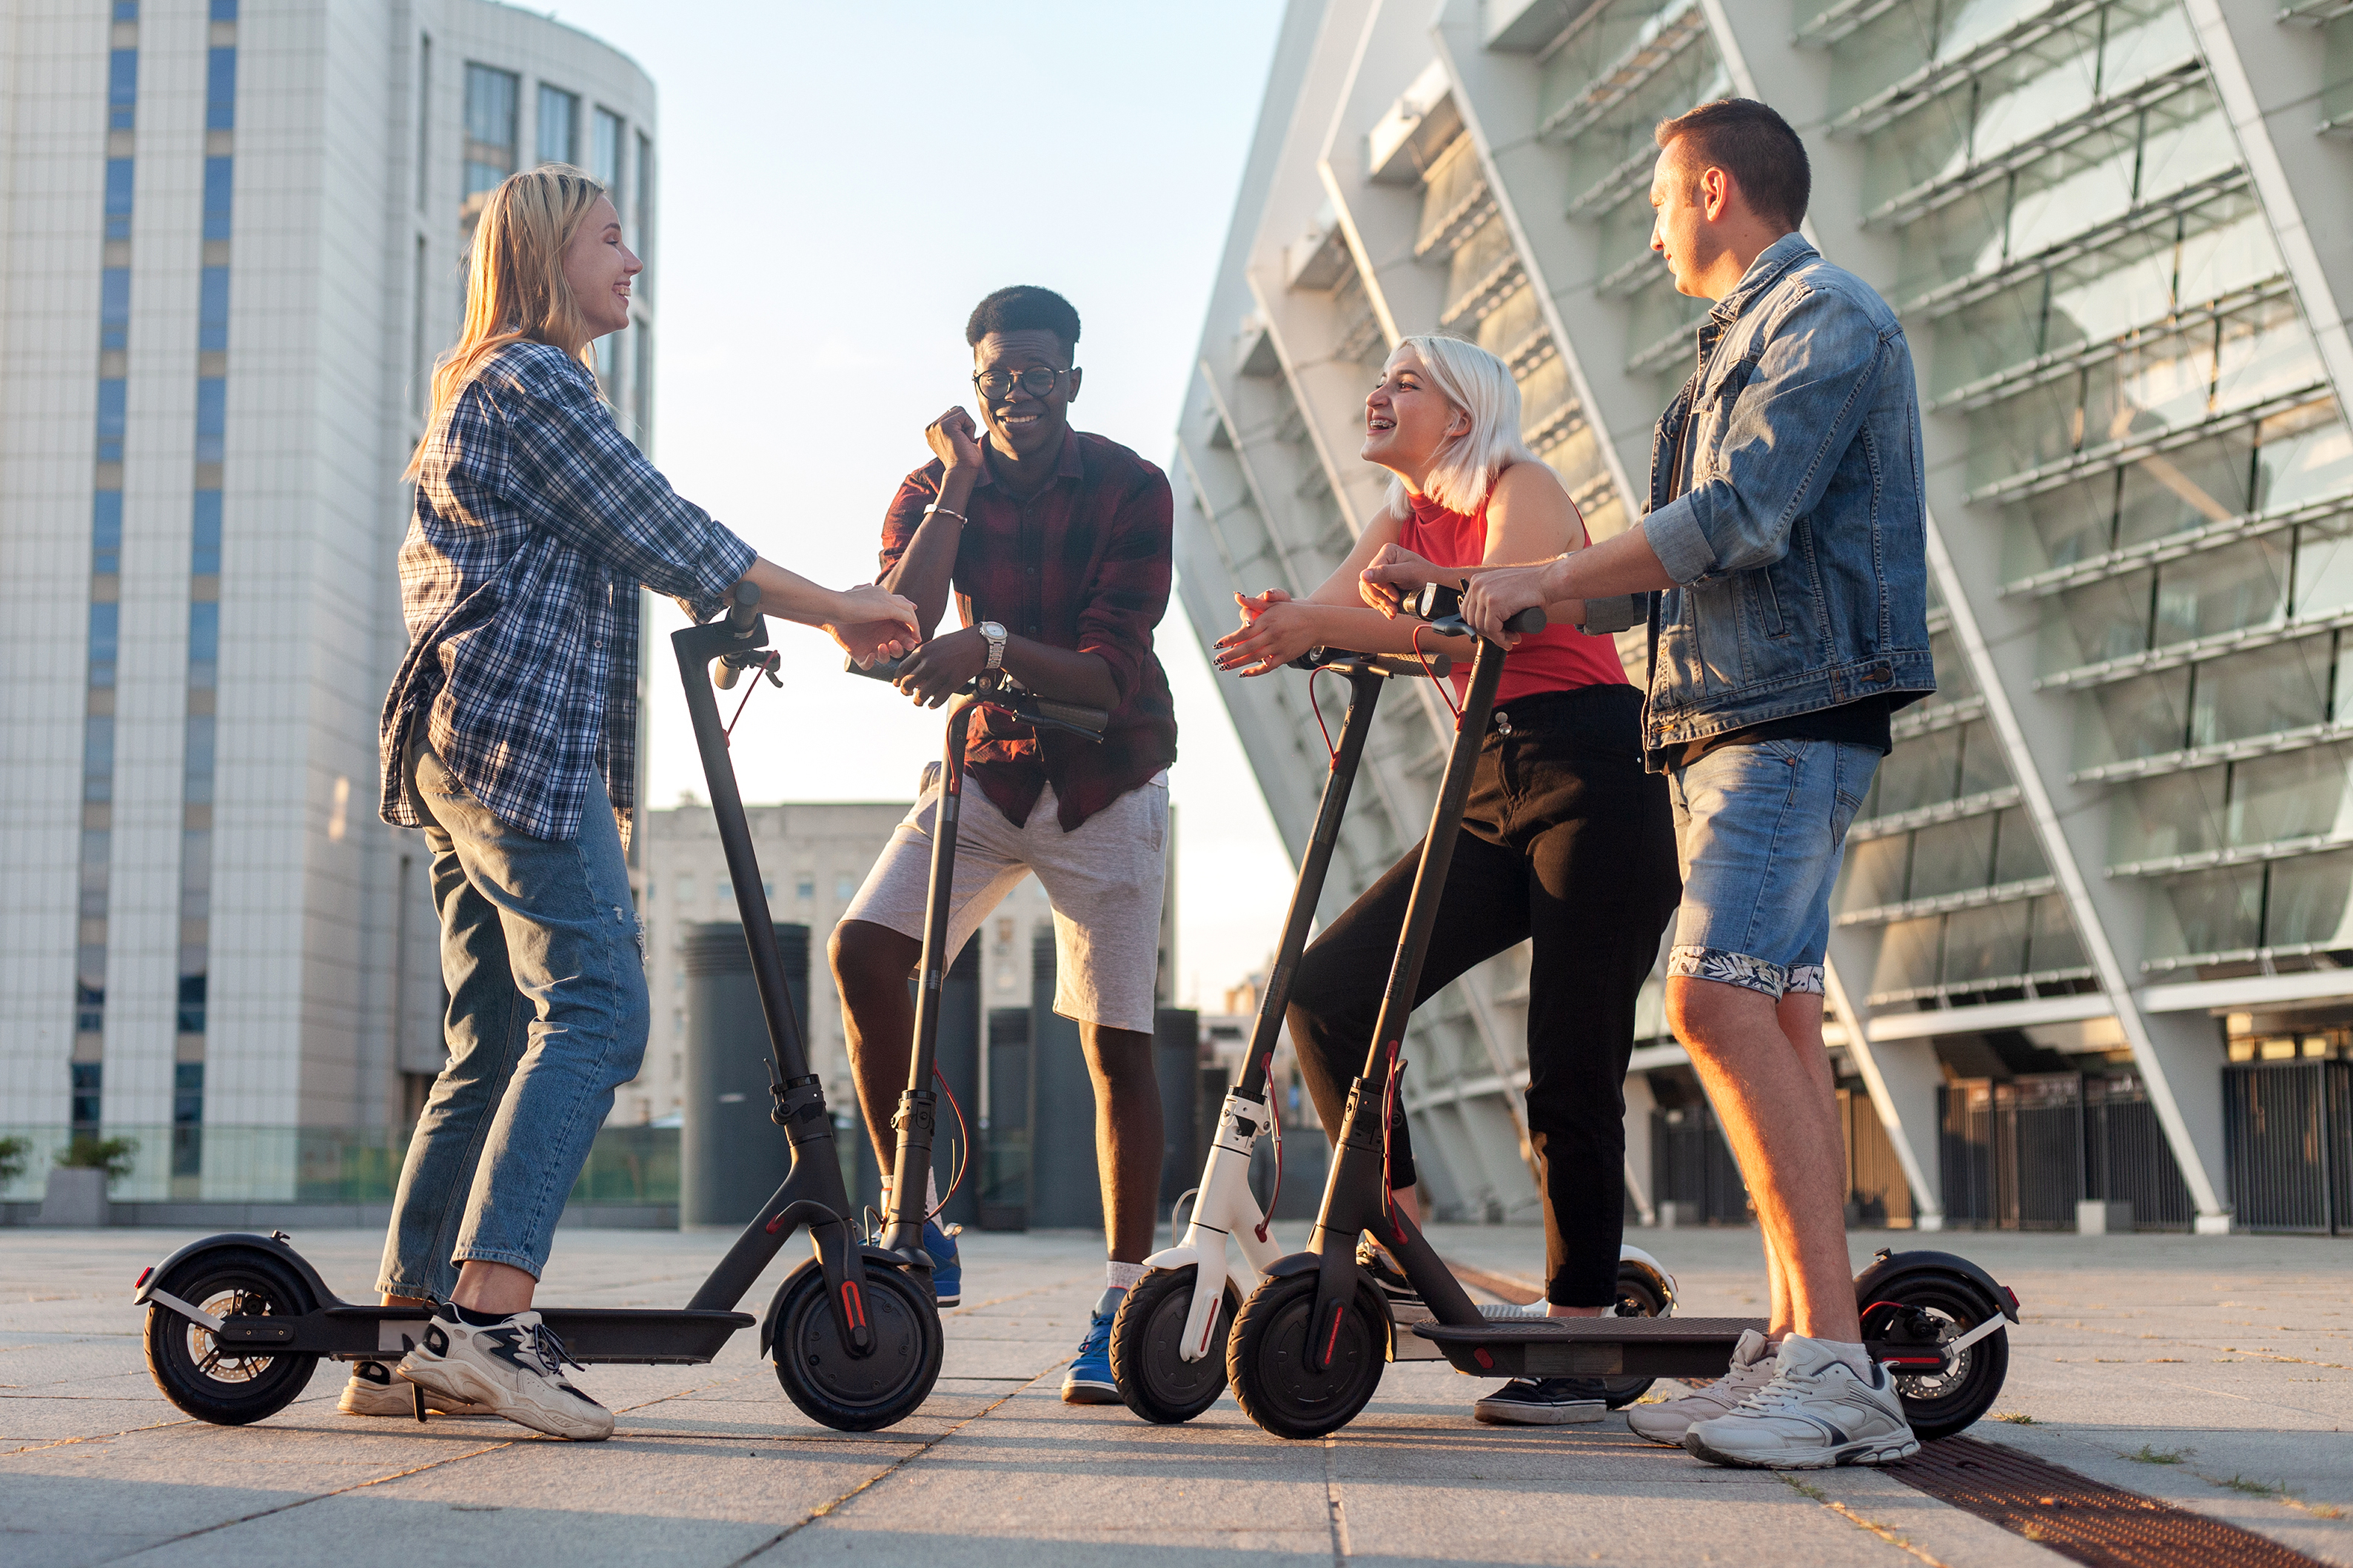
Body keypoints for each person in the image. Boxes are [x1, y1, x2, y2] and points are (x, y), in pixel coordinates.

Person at [1410, 98, 1936, 1468]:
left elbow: (1738, 519)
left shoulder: (1821, 318)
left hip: (1793, 713)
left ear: (1713, 190)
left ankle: (1837, 1368)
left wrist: (1550, 576)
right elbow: (1717, 570)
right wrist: (1521, 603)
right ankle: (1790, 1344)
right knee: (1778, 1014)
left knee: (1709, 1002)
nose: (1646, 225)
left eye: (1656, 199)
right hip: (1734, 712)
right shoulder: (1735, 344)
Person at [353, 165, 918, 1441]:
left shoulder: (482, 391)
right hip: (520, 750)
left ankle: (403, 1334)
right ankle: (491, 1321)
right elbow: (666, 528)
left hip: (462, 749)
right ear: (552, 251)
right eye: (615, 238)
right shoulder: (533, 381)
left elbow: (620, 544)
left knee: (488, 1044)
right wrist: (837, 602)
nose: (635, 261)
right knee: (601, 1013)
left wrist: (717, 601)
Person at [1213, 333, 1680, 1427]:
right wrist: (1292, 627)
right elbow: (1345, 613)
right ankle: (1390, 1240)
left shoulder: (1522, 483)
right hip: (1487, 782)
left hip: (1589, 774)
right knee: (1324, 993)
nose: (1377, 391)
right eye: (1378, 377)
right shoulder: (1398, 520)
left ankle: (1575, 1343)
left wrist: (1375, 605)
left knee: (1568, 1064)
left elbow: (1501, 607)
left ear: (1461, 416)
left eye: (1405, 382)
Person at [829, 285, 1179, 1404]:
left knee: (1114, 1041)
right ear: (973, 387)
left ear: (1072, 379)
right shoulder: (938, 486)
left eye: (1037, 374)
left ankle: (1124, 1303)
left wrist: (983, 643)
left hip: (1105, 776)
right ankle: (917, 1213)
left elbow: (1106, 671)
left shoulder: (1132, 487)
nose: (1018, 393)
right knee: (862, 951)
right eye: (997, 378)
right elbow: (893, 629)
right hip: (983, 766)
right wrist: (961, 490)